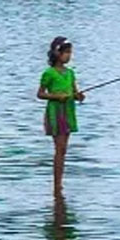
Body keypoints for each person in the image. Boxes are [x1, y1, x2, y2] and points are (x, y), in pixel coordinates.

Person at [37, 37, 83, 197]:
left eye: (70, 53)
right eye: (66, 53)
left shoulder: (70, 73)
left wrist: (78, 96)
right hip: (55, 112)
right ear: (57, 53)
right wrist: (56, 96)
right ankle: (57, 185)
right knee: (59, 148)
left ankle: (60, 184)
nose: (69, 56)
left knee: (64, 149)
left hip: (68, 112)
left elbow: (74, 92)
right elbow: (40, 94)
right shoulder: (48, 73)